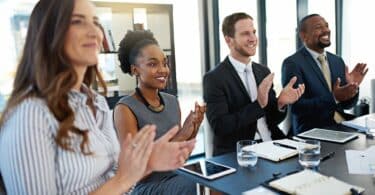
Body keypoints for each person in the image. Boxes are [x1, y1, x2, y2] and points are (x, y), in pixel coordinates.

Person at [0, 0, 194, 194]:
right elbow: (120, 181)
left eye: (95, 21)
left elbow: (121, 181)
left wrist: (149, 162)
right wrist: (123, 179)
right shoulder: (29, 115)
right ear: (48, 33)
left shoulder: (96, 103)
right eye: (78, 21)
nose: (94, 31)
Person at [114, 29, 205, 195]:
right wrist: (183, 134)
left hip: (177, 176)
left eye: (164, 63)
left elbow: (180, 158)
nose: (163, 70)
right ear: (135, 70)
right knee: (202, 187)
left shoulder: (172, 101)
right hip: (145, 186)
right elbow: (136, 171)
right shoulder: (125, 109)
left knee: (216, 179)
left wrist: (194, 128)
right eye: (153, 64)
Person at [203, 12, 305, 156]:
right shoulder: (214, 79)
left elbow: (273, 120)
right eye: (245, 34)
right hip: (240, 153)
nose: (253, 38)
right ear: (229, 40)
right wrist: (258, 105)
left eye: (254, 32)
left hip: (273, 143)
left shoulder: (263, 71)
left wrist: (280, 103)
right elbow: (220, 126)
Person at [281, 14, 368, 134]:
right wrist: (334, 97)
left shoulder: (337, 61)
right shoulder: (293, 63)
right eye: (318, 27)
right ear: (304, 35)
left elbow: (347, 105)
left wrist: (352, 88)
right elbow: (297, 108)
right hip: (312, 131)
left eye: (326, 26)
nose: (326, 30)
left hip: (342, 126)